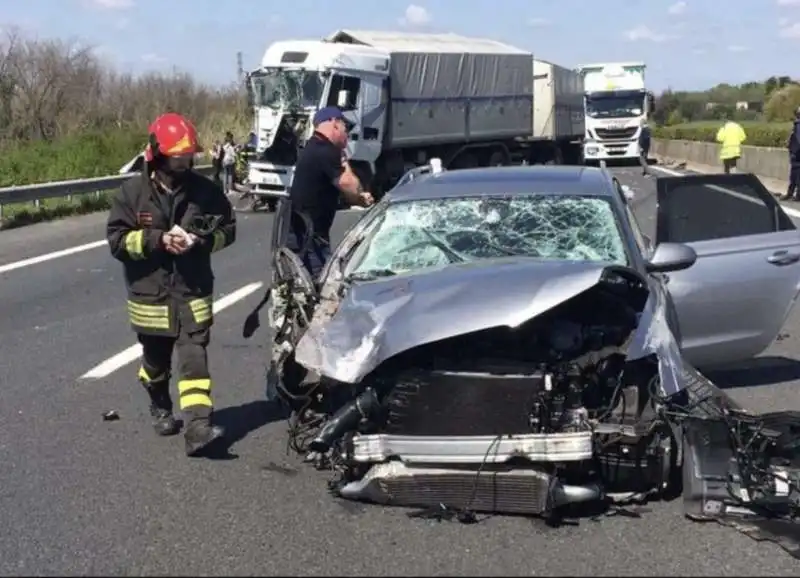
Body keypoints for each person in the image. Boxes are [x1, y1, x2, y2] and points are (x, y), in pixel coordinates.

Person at [106, 112, 237, 457]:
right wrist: (156, 241)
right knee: (156, 359)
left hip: (193, 290)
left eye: (187, 156)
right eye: (177, 157)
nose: (183, 162)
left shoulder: (206, 192)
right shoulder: (131, 194)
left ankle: (198, 427)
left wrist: (202, 241)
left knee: (194, 355)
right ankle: (159, 400)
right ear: (157, 155)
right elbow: (117, 242)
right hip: (150, 294)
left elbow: (229, 230)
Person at [287, 106, 374, 278]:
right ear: (334, 124)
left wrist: (358, 199)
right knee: (325, 288)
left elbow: (344, 190)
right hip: (309, 239)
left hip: (304, 234)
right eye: (345, 128)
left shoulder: (315, 147)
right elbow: (350, 184)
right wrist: (344, 159)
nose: (347, 134)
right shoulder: (325, 150)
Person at [782, 107, 800, 201]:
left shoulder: (798, 125)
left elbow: (798, 141)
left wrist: (794, 152)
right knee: (795, 176)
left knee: (795, 176)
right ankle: (793, 194)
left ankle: (793, 194)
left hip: (797, 156)